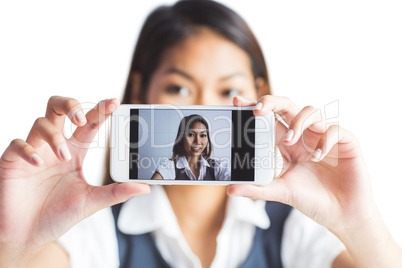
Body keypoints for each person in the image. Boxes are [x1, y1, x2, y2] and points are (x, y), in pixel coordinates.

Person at [0, 0, 401, 267]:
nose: (205, 110)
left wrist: (358, 220)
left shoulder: (296, 229)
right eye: (179, 88)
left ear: (260, 96)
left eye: (229, 91)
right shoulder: (94, 229)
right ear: (141, 91)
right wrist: (13, 245)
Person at [151, 114, 230, 181]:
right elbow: (151, 191)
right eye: (191, 135)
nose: (197, 141)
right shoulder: (169, 167)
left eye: (202, 135)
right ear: (181, 138)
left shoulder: (218, 167)